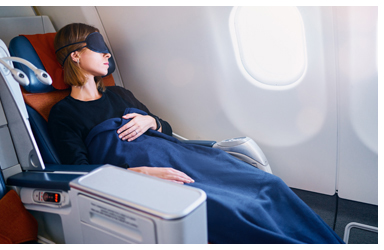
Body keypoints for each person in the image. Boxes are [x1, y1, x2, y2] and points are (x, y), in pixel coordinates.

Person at [49, 23, 344, 244]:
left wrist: (150, 122)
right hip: (144, 174)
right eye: (97, 47)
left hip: (181, 156)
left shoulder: (119, 95)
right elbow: (80, 170)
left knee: (268, 185)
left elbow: (166, 128)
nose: (107, 54)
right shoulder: (64, 113)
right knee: (236, 208)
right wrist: (143, 175)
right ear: (75, 55)